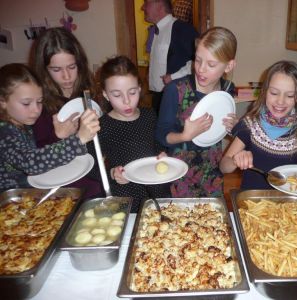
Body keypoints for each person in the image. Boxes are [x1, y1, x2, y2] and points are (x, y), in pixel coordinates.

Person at [156, 26, 238, 198]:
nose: (201, 69)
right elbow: (161, 134)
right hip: (179, 174)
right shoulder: (175, 89)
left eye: (211, 64)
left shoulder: (228, 90)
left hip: (212, 174)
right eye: (198, 60)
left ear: (229, 66)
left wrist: (232, 127)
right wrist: (184, 136)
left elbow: (218, 130)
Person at [0, 63, 100, 193]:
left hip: (30, 194)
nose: (36, 110)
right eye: (26, 103)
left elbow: (44, 155)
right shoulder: (4, 132)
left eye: (39, 101)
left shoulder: (23, 123)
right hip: (10, 205)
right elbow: (31, 162)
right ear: (2, 102)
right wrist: (78, 140)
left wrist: (59, 136)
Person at [219, 60, 297, 190]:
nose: (280, 101)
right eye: (274, 93)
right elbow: (223, 167)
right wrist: (234, 160)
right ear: (265, 92)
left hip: (288, 206)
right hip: (252, 204)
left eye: (289, 95)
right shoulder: (250, 125)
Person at [29, 27, 103, 199]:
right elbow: (32, 161)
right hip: (60, 192)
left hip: (94, 182)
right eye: (56, 70)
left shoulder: (90, 93)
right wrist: (58, 136)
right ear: (44, 69)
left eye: (72, 66)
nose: (67, 76)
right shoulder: (37, 103)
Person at [97, 55, 170, 212]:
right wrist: (112, 172)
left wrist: (163, 154)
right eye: (117, 95)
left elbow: (157, 145)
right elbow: (92, 166)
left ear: (139, 88)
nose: (126, 101)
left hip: (156, 190)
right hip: (126, 195)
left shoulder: (149, 115)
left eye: (132, 92)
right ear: (105, 94)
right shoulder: (102, 125)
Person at [141, 0, 199, 116]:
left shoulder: (183, 30)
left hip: (176, 98)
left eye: (146, 3)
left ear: (159, 5)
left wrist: (173, 76)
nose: (142, 8)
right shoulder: (153, 30)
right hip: (158, 96)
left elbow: (197, 62)